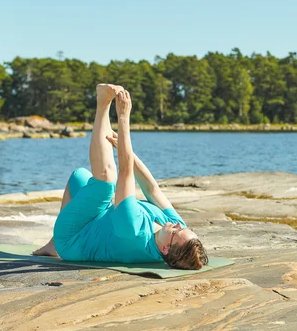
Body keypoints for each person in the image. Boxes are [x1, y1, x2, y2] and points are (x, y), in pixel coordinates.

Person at [33, 84, 208, 270]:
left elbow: (125, 171)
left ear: (165, 249)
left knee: (106, 182)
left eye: (176, 231)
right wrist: (125, 149)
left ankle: (102, 102)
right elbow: (151, 189)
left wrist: (123, 116)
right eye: (184, 228)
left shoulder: (132, 231)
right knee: (80, 176)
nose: (178, 225)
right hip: (97, 222)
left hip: (72, 239)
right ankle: (52, 245)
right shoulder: (174, 230)